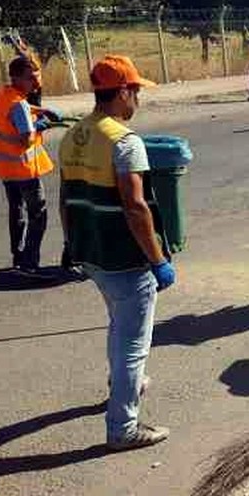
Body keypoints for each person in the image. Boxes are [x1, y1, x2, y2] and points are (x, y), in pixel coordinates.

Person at [59, 55, 173, 451]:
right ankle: (123, 427)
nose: (137, 100)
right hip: (124, 257)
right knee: (132, 342)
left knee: (118, 324)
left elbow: (65, 199)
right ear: (122, 91)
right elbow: (135, 207)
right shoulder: (125, 142)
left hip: (92, 252)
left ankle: (125, 382)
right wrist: (158, 260)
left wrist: (72, 244)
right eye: (136, 91)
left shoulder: (74, 135)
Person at [0, 56, 60, 276]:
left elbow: (19, 107)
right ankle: (30, 263)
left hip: (7, 170)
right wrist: (41, 125)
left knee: (16, 210)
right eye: (30, 78)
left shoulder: (3, 95)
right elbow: (25, 139)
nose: (36, 83)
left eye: (37, 77)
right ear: (18, 78)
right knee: (38, 215)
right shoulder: (19, 104)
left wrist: (41, 110)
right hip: (24, 170)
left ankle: (19, 256)